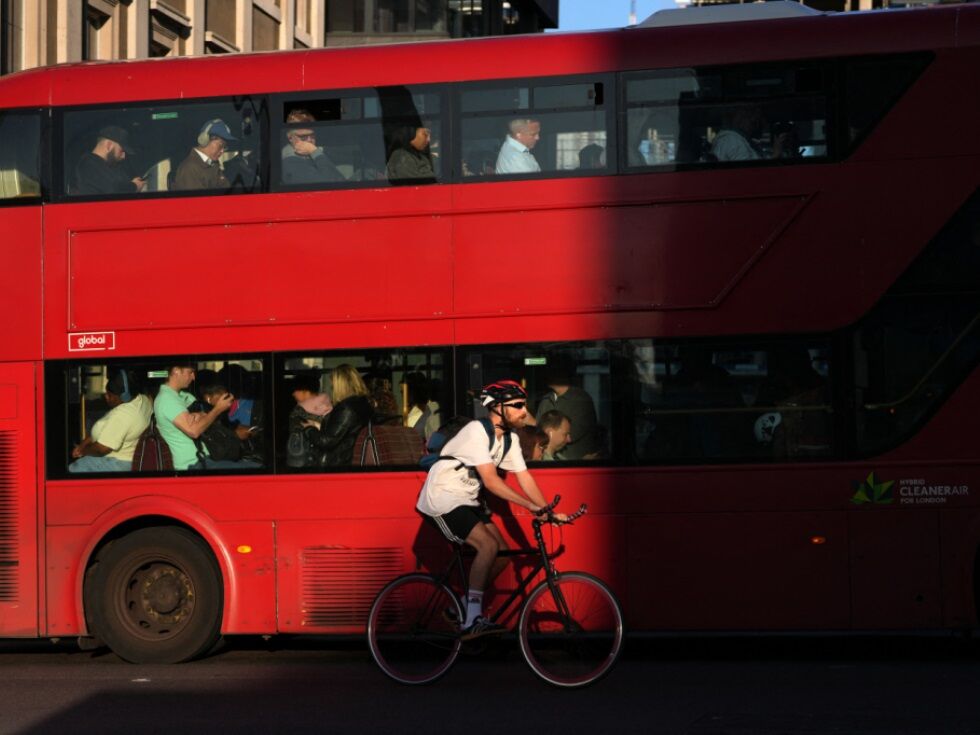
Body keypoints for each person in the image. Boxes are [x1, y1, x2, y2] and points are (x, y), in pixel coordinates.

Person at [416, 380, 556, 639]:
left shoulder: (509, 439)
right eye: (517, 406)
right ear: (498, 408)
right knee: (487, 546)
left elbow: (524, 477)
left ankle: (457, 607)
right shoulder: (476, 431)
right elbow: (491, 481)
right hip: (442, 498)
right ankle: (471, 620)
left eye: (523, 405)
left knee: (502, 554)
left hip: (466, 499)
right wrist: (531, 506)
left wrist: (547, 509)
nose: (524, 411)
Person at [153, 360, 236, 470]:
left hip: (206, 456)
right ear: (176, 371)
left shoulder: (183, 396)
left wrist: (200, 415)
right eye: (190, 372)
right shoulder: (167, 399)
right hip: (193, 463)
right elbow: (194, 431)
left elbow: (204, 417)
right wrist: (217, 409)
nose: (193, 377)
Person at [69, 369, 152, 472]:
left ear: (123, 396)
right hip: (130, 456)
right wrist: (83, 444)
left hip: (115, 461)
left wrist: (84, 451)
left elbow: (101, 449)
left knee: (71, 470)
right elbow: (105, 431)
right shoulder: (142, 400)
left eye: (110, 395)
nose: (106, 397)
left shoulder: (122, 416)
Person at [304, 364, 373, 467]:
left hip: (337, 463)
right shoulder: (364, 403)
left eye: (333, 386)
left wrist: (309, 428)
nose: (332, 390)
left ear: (340, 386)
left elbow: (326, 441)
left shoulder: (346, 408)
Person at [534, 366, 601, 460]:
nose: (545, 374)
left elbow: (569, 435)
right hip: (549, 460)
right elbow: (540, 431)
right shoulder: (546, 400)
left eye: (549, 370)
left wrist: (533, 423)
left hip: (575, 462)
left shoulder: (580, 399)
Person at [73, 126, 146, 196]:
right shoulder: (88, 163)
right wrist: (135, 186)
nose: (123, 156)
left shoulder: (106, 166)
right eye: (121, 150)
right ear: (109, 145)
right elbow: (114, 188)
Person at [281, 109, 344, 185]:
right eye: (303, 137)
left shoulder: (310, 150)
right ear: (290, 138)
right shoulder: (290, 160)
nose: (309, 141)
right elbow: (334, 182)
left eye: (312, 135)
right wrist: (314, 151)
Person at [174, 119, 236, 190]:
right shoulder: (189, 168)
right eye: (221, 145)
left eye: (224, 147)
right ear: (205, 139)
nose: (222, 151)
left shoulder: (213, 165)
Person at [711, 106, 788, 162]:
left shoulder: (738, 140)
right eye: (754, 121)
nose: (758, 126)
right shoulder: (732, 140)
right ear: (742, 119)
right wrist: (776, 154)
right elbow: (748, 175)